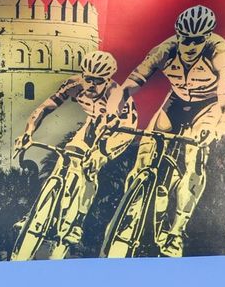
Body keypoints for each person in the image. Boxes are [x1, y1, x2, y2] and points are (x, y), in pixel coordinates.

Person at [113, 3, 225, 256]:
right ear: (177, 36)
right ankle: (131, 213)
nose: (190, 46)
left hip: (208, 107)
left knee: (195, 161)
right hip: (176, 103)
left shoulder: (220, 51)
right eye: (185, 40)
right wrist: (112, 110)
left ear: (207, 37)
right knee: (146, 153)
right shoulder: (165, 50)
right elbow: (128, 85)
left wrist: (220, 126)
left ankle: (176, 232)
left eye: (197, 40)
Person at [11, 50, 138, 259]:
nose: (91, 85)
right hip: (94, 122)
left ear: (107, 80)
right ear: (83, 74)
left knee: (91, 165)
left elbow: (108, 128)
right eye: (88, 79)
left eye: (98, 81)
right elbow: (43, 108)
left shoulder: (115, 94)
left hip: (120, 129)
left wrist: (100, 154)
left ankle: (77, 222)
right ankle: (35, 212)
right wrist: (27, 133)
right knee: (65, 157)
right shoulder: (74, 85)